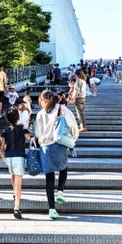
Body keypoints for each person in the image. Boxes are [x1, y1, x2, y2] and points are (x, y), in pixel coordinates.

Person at [35, 90, 79, 219]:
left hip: (45, 148)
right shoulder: (62, 109)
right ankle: (60, 191)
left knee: (49, 179)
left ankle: (52, 209)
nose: (41, 103)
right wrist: (72, 139)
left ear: (46, 99)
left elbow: (38, 134)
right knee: (63, 167)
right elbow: (72, 125)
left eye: (41, 100)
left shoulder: (40, 114)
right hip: (58, 145)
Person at [1, 107, 31, 219]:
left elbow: (2, 146)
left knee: (12, 175)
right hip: (19, 156)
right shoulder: (22, 127)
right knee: (19, 181)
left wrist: (3, 155)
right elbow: (29, 139)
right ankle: (16, 207)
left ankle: (14, 193)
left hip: (9, 157)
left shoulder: (6, 130)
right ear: (18, 117)